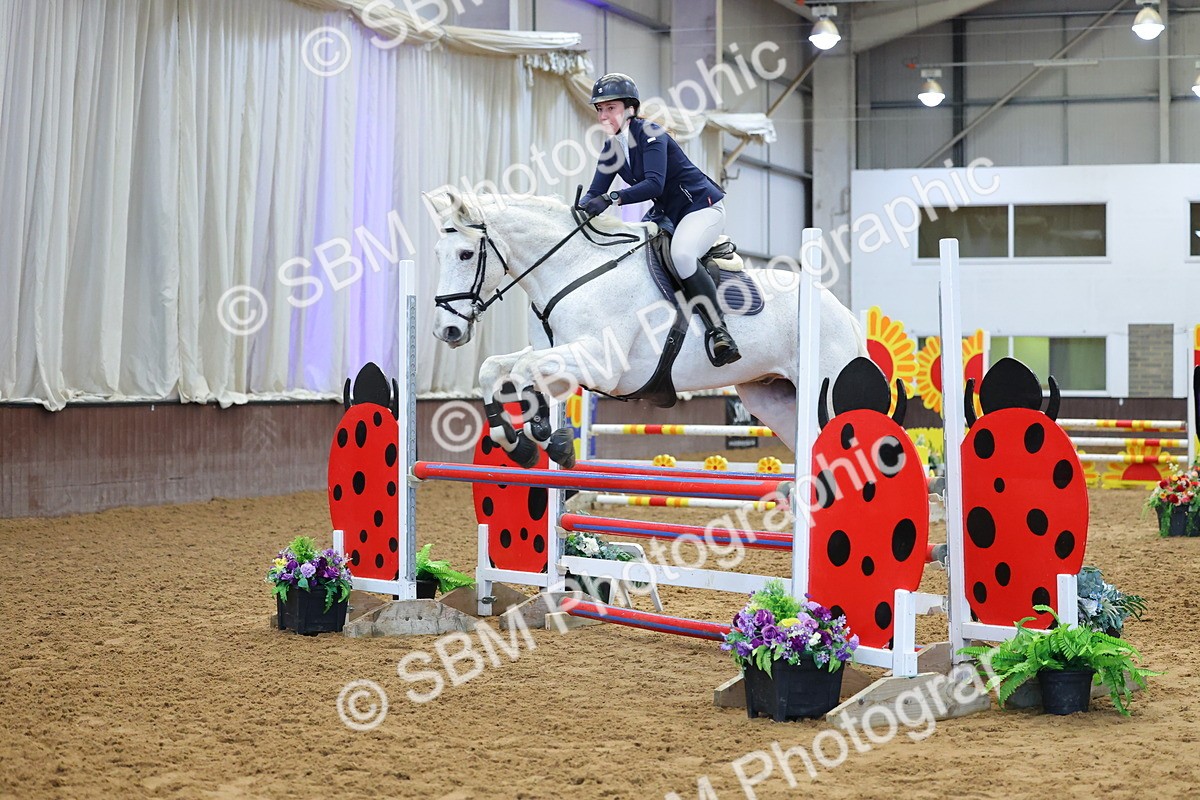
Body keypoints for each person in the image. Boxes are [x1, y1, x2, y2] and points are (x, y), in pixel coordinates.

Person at [578, 73, 740, 367]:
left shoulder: (652, 134)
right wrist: (578, 211)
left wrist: (614, 199)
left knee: (682, 254)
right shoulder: (612, 147)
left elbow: (653, 184)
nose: (603, 115)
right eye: (599, 109)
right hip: (669, 215)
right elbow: (595, 192)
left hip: (701, 208)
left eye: (610, 107)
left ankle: (720, 332)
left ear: (630, 109)